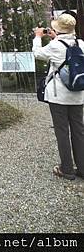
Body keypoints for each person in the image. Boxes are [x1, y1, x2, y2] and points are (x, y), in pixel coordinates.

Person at [33, 11, 84, 180]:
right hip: (78, 95)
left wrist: (38, 36)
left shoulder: (54, 45)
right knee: (78, 131)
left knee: (62, 131)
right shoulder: (81, 44)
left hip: (59, 97)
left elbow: (38, 54)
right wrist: (58, 37)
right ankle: (82, 168)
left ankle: (67, 169)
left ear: (58, 29)